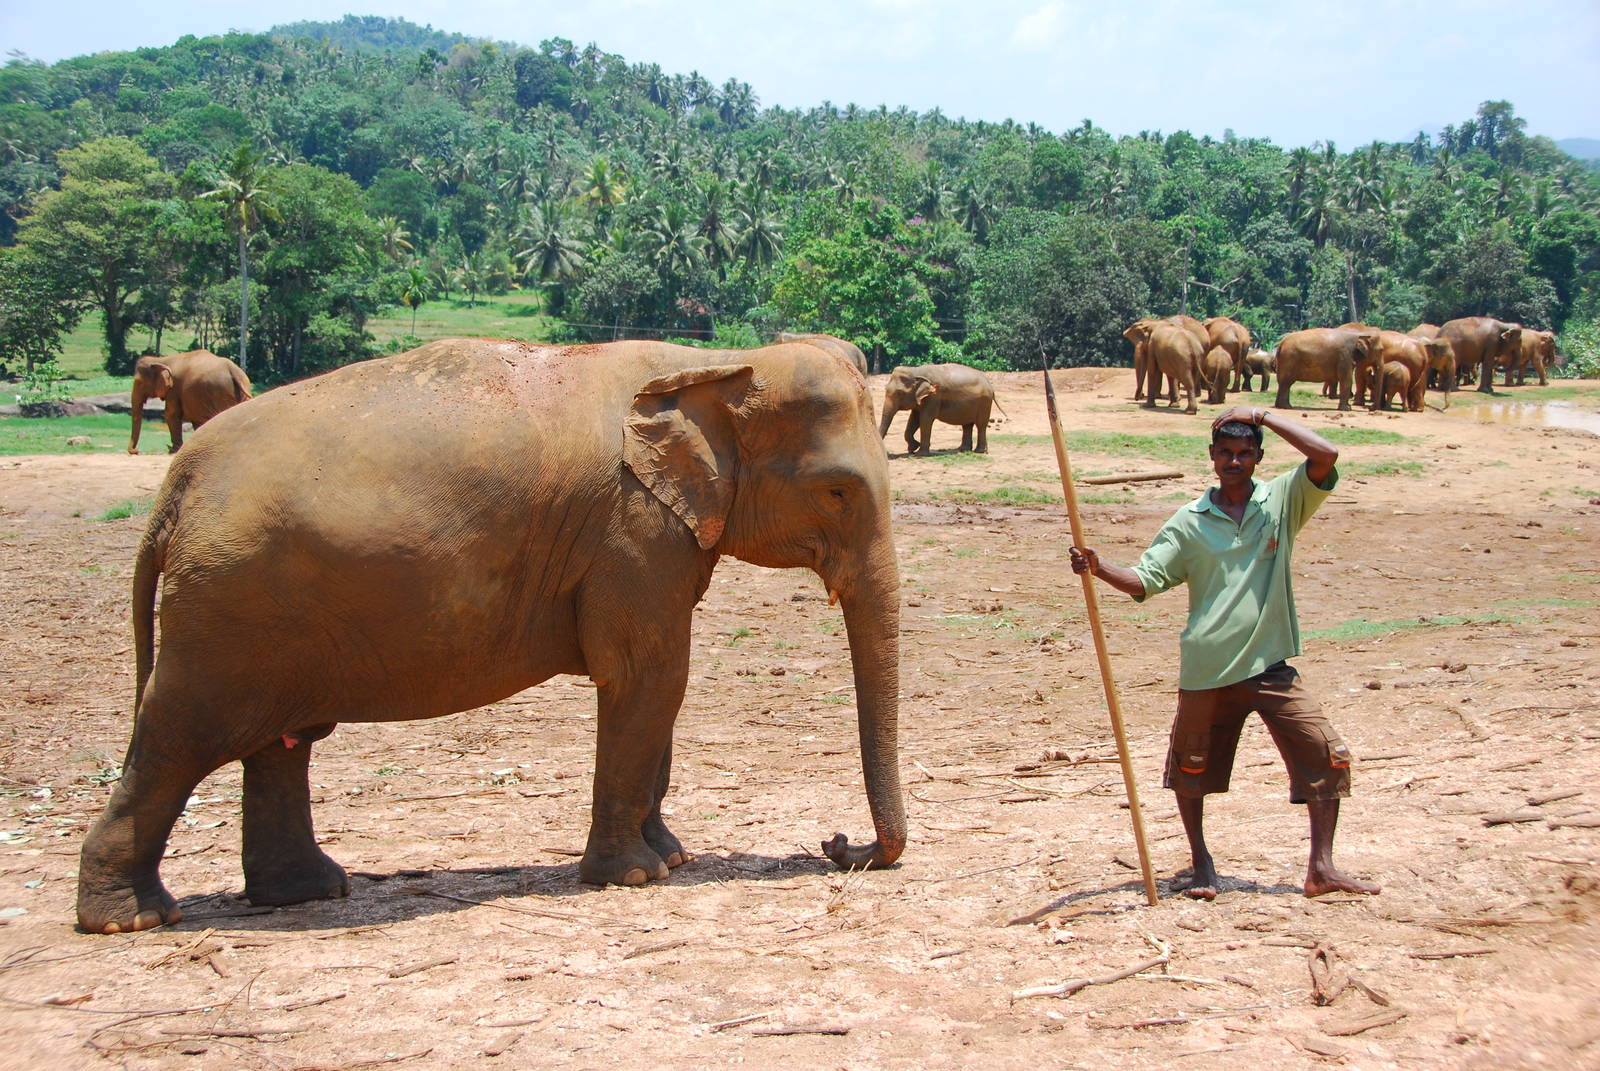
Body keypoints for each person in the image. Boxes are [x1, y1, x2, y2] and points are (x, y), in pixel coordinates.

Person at [1069, 404, 1380, 901]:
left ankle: (1321, 869)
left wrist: (1265, 414)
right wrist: (1100, 568)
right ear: (1212, 458)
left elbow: (1326, 454)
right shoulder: (1188, 522)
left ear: (1257, 457)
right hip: (1207, 670)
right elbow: (1145, 581)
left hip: (1271, 664)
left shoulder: (1282, 501)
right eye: (1225, 453)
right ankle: (1201, 865)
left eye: (1244, 453)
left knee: (1326, 754)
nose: (1234, 461)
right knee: (1191, 772)